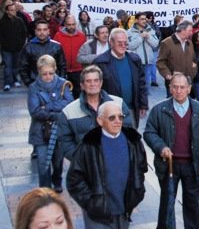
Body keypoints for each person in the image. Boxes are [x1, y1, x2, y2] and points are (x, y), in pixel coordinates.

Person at [143, 73, 199, 229]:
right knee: (167, 202)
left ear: (189, 89)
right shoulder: (159, 110)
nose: (179, 90)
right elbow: (149, 132)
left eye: (182, 87)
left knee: (192, 202)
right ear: (170, 88)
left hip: (192, 165)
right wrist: (161, 147)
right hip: (168, 165)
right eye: (175, 87)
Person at [67, 101, 147, 228]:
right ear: (100, 120)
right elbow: (74, 179)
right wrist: (91, 202)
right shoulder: (89, 145)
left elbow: (141, 169)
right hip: (98, 214)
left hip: (124, 211)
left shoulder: (133, 141)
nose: (117, 121)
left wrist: (137, 191)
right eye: (112, 117)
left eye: (120, 117)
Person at [57, 65, 133, 161]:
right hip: (85, 168)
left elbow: (129, 132)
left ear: (101, 83)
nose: (92, 84)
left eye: (96, 80)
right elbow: (65, 141)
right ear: (82, 85)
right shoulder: (69, 111)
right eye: (88, 81)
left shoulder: (118, 103)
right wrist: (80, 159)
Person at [27, 55, 73, 191]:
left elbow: (69, 104)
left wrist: (47, 107)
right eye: (44, 74)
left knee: (58, 161)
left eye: (51, 73)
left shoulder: (63, 84)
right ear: (39, 72)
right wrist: (57, 110)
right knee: (42, 164)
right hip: (40, 131)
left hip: (59, 130)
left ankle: (57, 179)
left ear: (55, 70)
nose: (48, 76)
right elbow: (35, 111)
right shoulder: (34, 87)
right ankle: (45, 189)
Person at [94, 28, 148, 128]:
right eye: (120, 43)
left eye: (125, 43)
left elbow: (141, 83)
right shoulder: (100, 62)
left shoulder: (134, 59)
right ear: (111, 42)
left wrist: (143, 104)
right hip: (110, 111)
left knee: (131, 139)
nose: (123, 46)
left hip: (131, 109)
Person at [19, 20, 67, 87]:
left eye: (44, 30)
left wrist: (61, 82)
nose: (42, 32)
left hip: (55, 84)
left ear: (48, 31)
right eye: (39, 30)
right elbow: (22, 67)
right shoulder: (28, 47)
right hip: (35, 84)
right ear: (35, 31)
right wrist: (29, 83)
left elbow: (62, 66)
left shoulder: (57, 46)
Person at [157, 20, 197, 97]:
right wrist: (168, 75)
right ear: (182, 30)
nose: (191, 33)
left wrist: (193, 71)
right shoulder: (166, 43)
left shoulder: (189, 43)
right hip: (174, 82)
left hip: (188, 81)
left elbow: (194, 60)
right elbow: (160, 62)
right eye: (190, 30)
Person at [54, 15, 86, 99]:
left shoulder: (81, 36)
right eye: (69, 24)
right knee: (63, 93)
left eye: (73, 24)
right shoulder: (58, 36)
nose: (71, 27)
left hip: (78, 70)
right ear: (65, 24)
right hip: (63, 70)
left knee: (78, 93)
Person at [127, 11, 160, 90]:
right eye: (142, 19)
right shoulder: (129, 32)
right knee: (136, 85)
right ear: (136, 20)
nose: (144, 21)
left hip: (148, 62)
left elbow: (155, 44)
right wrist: (140, 37)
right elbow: (130, 46)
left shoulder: (150, 30)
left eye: (145, 19)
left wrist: (148, 37)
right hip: (136, 62)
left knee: (146, 86)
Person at [0, 3, 27, 91]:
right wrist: (4, 44)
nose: (13, 12)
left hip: (17, 47)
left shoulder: (19, 20)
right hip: (6, 48)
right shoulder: (2, 22)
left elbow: (24, 33)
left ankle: (15, 79)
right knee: (8, 65)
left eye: (14, 10)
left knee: (16, 65)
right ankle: (7, 83)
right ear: (7, 11)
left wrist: (21, 43)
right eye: (11, 10)